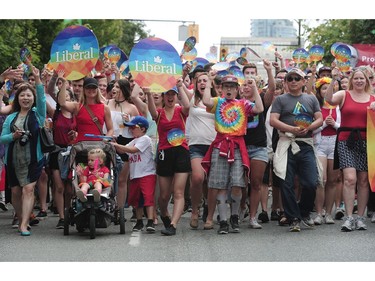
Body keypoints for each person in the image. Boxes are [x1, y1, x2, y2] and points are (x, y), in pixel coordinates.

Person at [202, 73, 264, 234]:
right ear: (221, 89)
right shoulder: (218, 102)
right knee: (220, 185)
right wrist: (209, 82)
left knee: (238, 183)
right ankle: (223, 221)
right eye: (226, 86)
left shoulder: (243, 103)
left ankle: (234, 216)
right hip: (220, 145)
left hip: (237, 145)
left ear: (237, 89)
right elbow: (206, 101)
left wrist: (255, 87)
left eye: (232, 87)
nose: (229, 89)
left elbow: (259, 108)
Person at [270, 68, 323, 232]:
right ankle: (293, 217)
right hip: (286, 142)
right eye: (290, 78)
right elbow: (273, 120)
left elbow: (319, 119)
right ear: (286, 82)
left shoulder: (311, 98)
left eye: (297, 78)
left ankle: (304, 213)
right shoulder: (280, 100)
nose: (293, 81)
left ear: (303, 81)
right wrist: (291, 129)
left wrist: (308, 127)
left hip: (305, 144)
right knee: (286, 183)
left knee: (310, 182)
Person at [325, 67, 375, 232]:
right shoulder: (344, 95)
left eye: (362, 79)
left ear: (367, 81)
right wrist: (333, 80)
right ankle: (348, 217)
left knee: (363, 181)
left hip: (367, 141)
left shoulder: (372, 98)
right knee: (350, 179)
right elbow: (329, 99)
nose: (359, 81)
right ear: (352, 80)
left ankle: (360, 217)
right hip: (346, 140)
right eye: (356, 78)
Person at [0, 64, 46, 236]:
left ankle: (24, 224)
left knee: (28, 189)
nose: (26, 98)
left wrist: (38, 80)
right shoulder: (11, 117)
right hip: (12, 160)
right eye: (22, 95)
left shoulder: (38, 115)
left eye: (29, 95)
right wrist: (13, 136)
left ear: (32, 98)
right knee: (16, 192)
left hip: (33, 159)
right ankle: (21, 218)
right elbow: (2, 138)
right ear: (17, 99)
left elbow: (42, 100)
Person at [147, 82, 191, 236]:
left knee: (178, 192)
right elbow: (151, 111)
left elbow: (188, 105)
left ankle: (173, 224)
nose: (170, 97)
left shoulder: (181, 111)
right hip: (165, 153)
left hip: (181, 152)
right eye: (168, 94)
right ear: (164, 96)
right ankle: (164, 213)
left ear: (176, 96)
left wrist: (180, 86)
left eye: (173, 94)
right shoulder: (159, 113)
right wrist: (147, 93)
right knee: (164, 195)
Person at [112, 116, 156, 233]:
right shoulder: (134, 141)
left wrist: (116, 146)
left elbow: (132, 150)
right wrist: (114, 143)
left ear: (142, 129)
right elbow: (123, 150)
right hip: (135, 174)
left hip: (146, 173)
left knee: (148, 197)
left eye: (134, 127)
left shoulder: (145, 139)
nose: (131, 130)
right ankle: (139, 221)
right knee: (137, 200)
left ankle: (150, 221)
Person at [184, 72, 216, 230]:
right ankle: (195, 211)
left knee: (211, 182)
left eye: (206, 80)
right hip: (196, 145)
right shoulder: (192, 99)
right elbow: (180, 90)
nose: (203, 83)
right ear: (196, 85)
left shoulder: (218, 101)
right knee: (197, 178)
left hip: (214, 145)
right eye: (200, 81)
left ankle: (209, 215)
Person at [47, 72, 77, 229]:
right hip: (57, 152)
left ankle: (70, 209)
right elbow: (46, 91)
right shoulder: (55, 113)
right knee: (59, 186)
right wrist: (56, 78)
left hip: (72, 152)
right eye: (62, 96)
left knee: (70, 188)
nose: (65, 98)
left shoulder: (76, 115)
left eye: (68, 96)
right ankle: (61, 216)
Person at [312, 77, 341, 225]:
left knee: (332, 181)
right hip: (320, 144)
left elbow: (343, 126)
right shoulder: (316, 107)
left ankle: (329, 213)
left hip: (335, 144)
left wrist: (334, 124)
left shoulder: (338, 106)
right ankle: (318, 213)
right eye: (323, 88)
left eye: (329, 88)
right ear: (319, 91)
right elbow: (312, 128)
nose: (327, 91)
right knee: (321, 180)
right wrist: (323, 124)